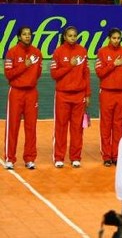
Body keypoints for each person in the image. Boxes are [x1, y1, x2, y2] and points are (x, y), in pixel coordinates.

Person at [50, 26, 91, 168]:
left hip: (79, 95)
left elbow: (86, 74)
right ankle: (59, 157)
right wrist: (69, 65)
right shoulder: (58, 52)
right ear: (65, 37)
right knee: (60, 127)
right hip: (62, 95)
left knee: (77, 128)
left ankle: (75, 157)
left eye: (75, 35)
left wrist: (88, 94)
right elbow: (54, 74)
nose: (73, 38)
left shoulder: (82, 51)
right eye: (70, 35)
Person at [3, 26, 42, 170]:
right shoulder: (12, 52)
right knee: (13, 126)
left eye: (29, 34)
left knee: (31, 127)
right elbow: (9, 74)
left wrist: (29, 80)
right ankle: (10, 158)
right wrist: (24, 66)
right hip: (16, 93)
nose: (27, 36)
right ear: (19, 37)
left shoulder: (37, 53)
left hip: (31, 93)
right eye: (24, 34)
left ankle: (30, 159)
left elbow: (37, 73)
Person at [95, 28, 122, 167]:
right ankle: (106, 156)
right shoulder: (102, 52)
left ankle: (116, 155)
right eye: (114, 38)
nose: (116, 40)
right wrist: (114, 64)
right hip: (107, 93)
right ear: (109, 38)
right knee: (106, 126)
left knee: (119, 126)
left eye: (118, 38)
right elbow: (99, 72)